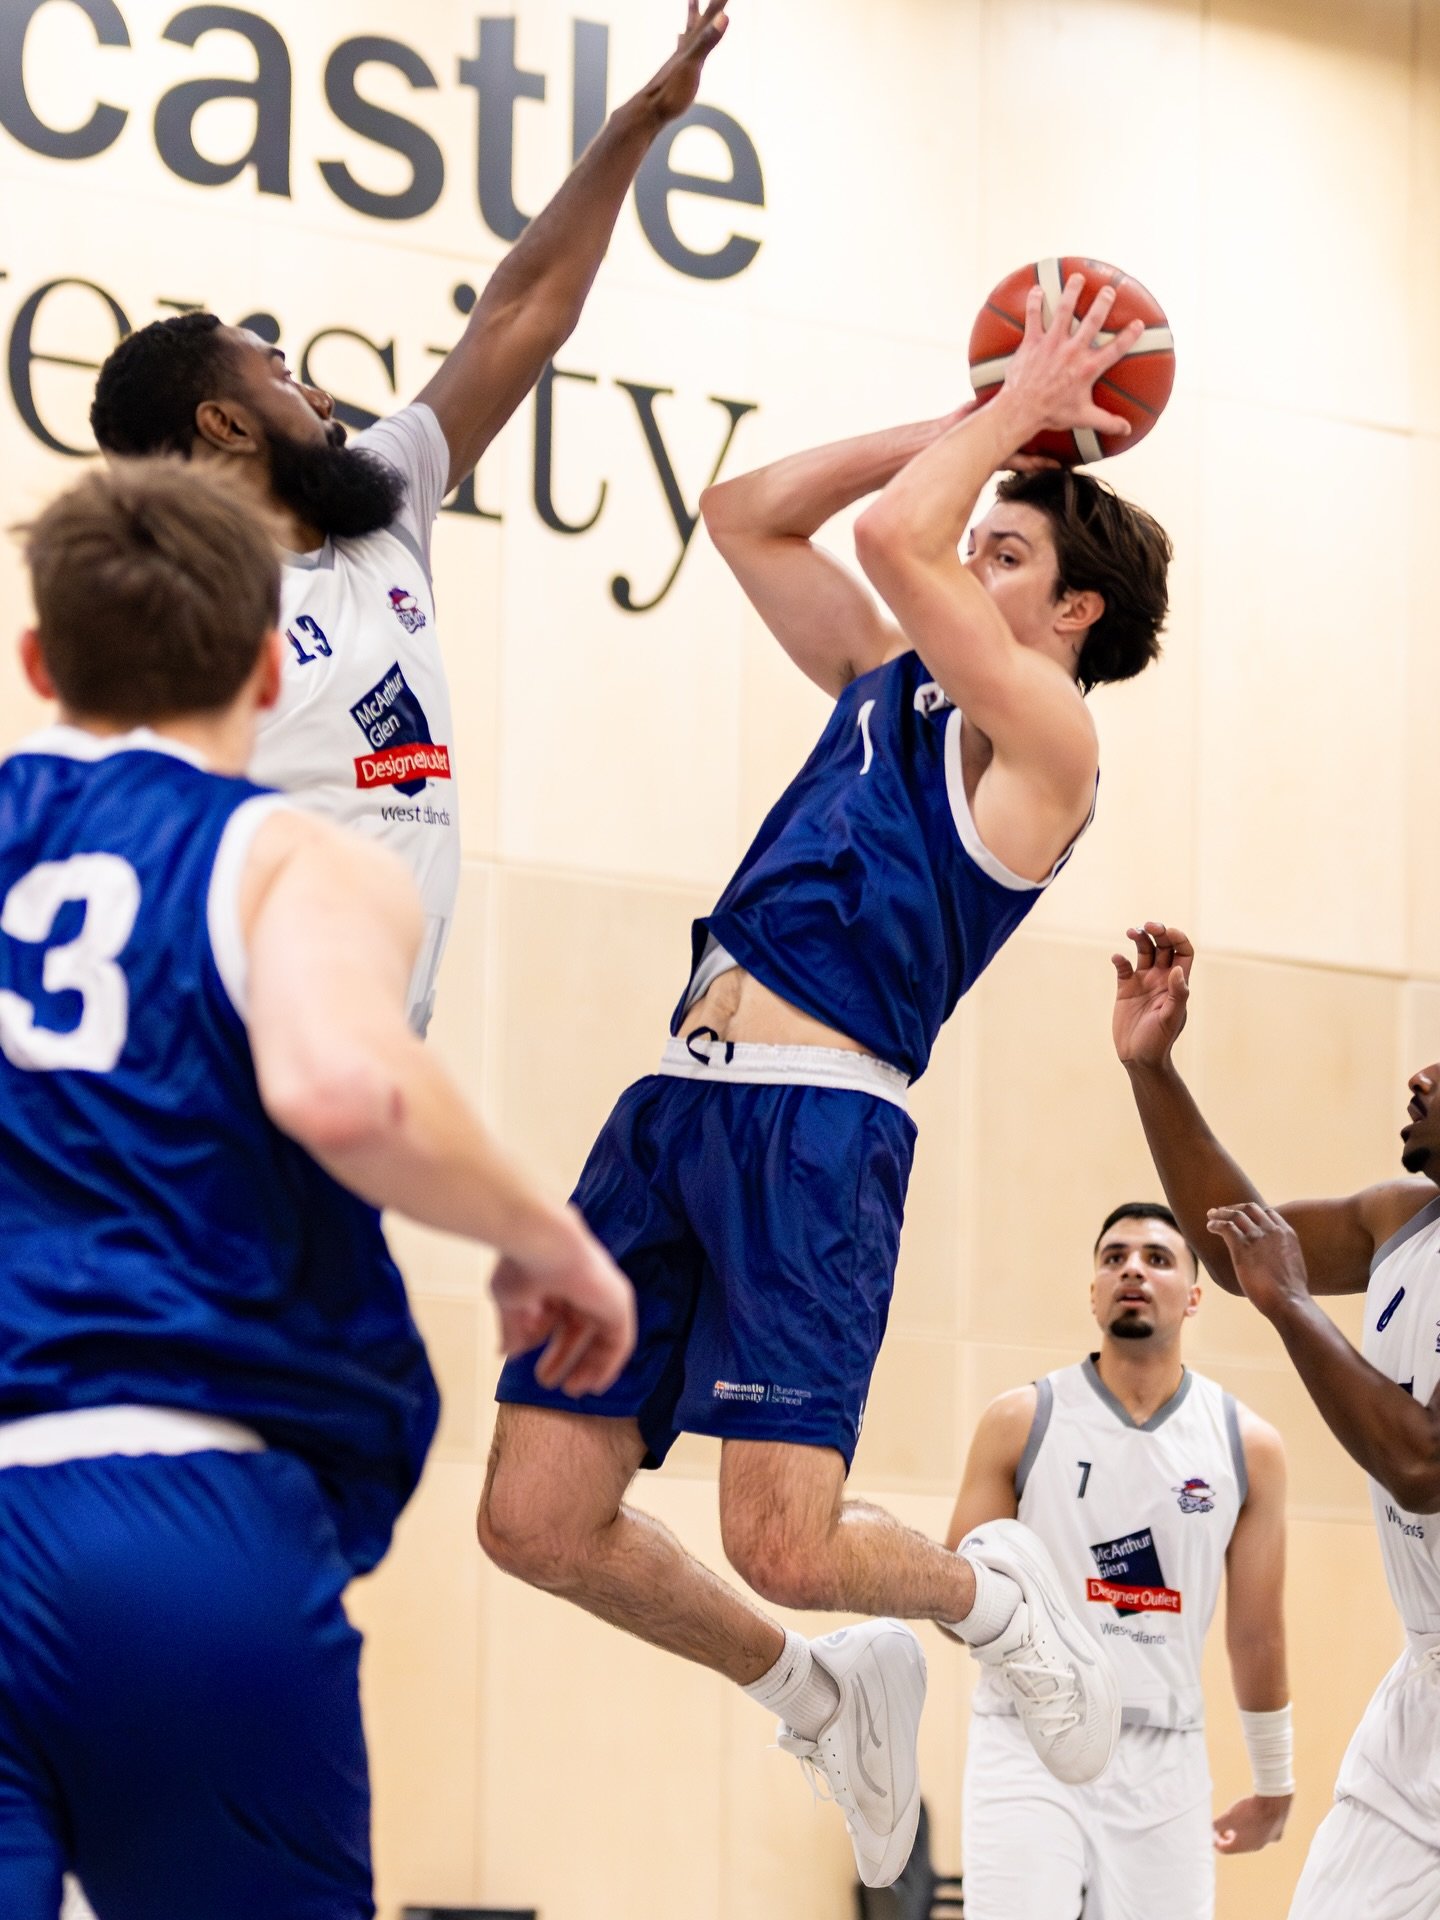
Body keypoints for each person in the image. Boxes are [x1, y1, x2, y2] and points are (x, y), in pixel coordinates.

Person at [477, 276, 1174, 1888]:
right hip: (669, 1102)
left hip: (820, 1122)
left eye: (1011, 552)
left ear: (1071, 614)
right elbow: (747, 516)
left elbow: (890, 544)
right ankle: (817, 1689)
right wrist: (974, 419)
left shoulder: (1048, 742)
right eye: (977, 535)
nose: (969, 545)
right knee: (533, 1523)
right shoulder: (891, 683)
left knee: (786, 1539)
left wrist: (1014, 422)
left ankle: (1000, 1605)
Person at [1, 458, 632, 1920]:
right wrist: (545, 1240)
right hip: (181, 1514)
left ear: (38, 662)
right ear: (272, 665)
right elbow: (344, 1087)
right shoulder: (285, 854)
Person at [86, 1, 731, 1033]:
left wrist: (642, 121)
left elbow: (521, 310)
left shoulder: (378, 507)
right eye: (284, 378)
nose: (327, 400)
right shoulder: (185, 621)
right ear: (226, 425)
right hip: (233, 1033)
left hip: (374, 1035)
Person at [1112, 921, 1440, 1920]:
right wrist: (1151, 1071)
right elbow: (1234, 1247)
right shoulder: (1402, 1217)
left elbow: (1421, 1462)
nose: (1421, 1075)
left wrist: (1292, 1304)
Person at [947, 1200, 1292, 1920]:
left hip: (1164, 1755)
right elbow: (953, 1603)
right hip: (1030, 1735)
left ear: (1195, 1297)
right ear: (1094, 1290)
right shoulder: (1021, 1419)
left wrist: (1274, 1778)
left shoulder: (1246, 1444)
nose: (1132, 1267)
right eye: (1114, 1257)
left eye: (1158, 1258)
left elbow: (1257, 1635)